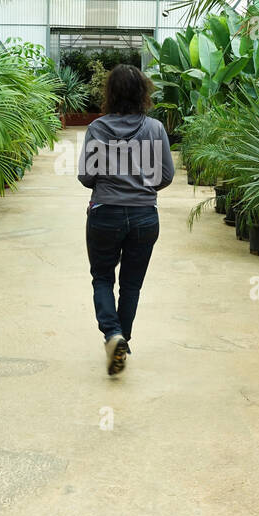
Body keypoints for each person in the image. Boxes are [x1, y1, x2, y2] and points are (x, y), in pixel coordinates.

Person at [76, 64, 174, 375]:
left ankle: (112, 334)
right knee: (131, 284)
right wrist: (143, 186)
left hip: (105, 213)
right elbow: (166, 175)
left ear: (110, 93)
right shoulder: (155, 129)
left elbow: (85, 176)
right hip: (145, 216)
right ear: (143, 93)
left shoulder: (97, 128)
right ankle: (123, 338)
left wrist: (110, 181)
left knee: (103, 277)